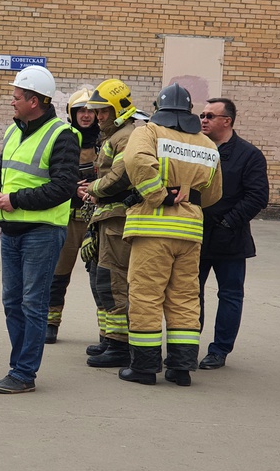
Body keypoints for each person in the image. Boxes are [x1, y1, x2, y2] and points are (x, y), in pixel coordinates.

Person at [119, 83, 222, 387]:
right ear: (190, 111)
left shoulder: (148, 132)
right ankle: (181, 368)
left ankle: (144, 367)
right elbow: (213, 193)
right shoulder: (207, 144)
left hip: (153, 230)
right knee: (185, 298)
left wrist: (158, 195)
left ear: (157, 108)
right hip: (190, 232)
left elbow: (136, 161)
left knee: (146, 296)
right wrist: (187, 197)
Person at [0, 65, 80, 394]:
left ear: (35, 101)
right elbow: (1, 169)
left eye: (17, 97)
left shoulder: (62, 135)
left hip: (42, 231)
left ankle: (24, 373)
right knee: (12, 302)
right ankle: (18, 367)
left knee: (32, 304)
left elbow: (63, 187)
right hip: (11, 229)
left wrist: (15, 200)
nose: (12, 102)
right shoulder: (13, 131)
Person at [196, 98, 269, 370]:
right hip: (196, 235)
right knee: (190, 294)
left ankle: (219, 350)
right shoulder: (196, 148)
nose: (203, 120)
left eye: (210, 116)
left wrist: (228, 223)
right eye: (202, 115)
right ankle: (186, 346)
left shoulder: (249, 155)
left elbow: (257, 196)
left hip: (230, 239)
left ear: (227, 121)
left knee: (229, 296)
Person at [79, 79, 144, 368]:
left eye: (103, 111)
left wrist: (92, 189)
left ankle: (119, 345)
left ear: (119, 109)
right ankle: (108, 337)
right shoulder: (113, 136)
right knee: (100, 279)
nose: (98, 116)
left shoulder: (127, 136)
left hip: (118, 219)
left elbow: (121, 176)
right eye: (97, 111)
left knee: (114, 280)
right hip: (105, 217)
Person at [44, 87, 99, 344]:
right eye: (81, 111)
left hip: (97, 218)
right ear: (72, 113)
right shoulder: (63, 139)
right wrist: (71, 188)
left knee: (102, 275)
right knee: (58, 273)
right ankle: (50, 322)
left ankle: (109, 332)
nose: (86, 115)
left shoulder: (106, 142)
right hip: (68, 217)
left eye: (90, 111)